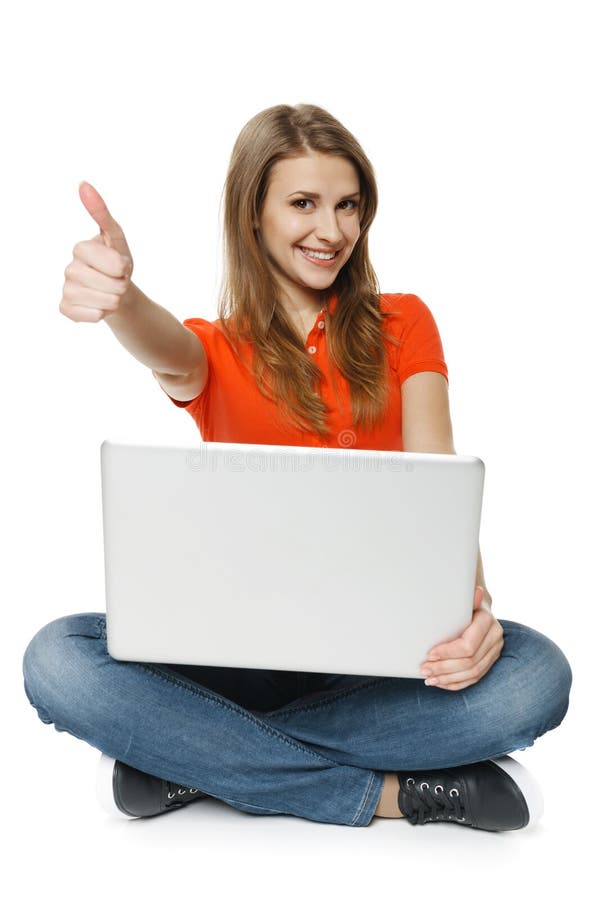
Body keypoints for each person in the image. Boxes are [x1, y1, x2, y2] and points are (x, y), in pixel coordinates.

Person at [22, 103, 572, 831]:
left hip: (380, 661)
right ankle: (387, 795)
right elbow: (164, 345)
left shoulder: (404, 323)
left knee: (537, 676)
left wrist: (474, 609)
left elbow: (441, 483)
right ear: (254, 215)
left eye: (348, 205)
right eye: (303, 204)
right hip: (232, 660)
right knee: (56, 658)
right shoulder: (214, 350)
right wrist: (122, 302)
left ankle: (195, 761)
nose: (332, 230)